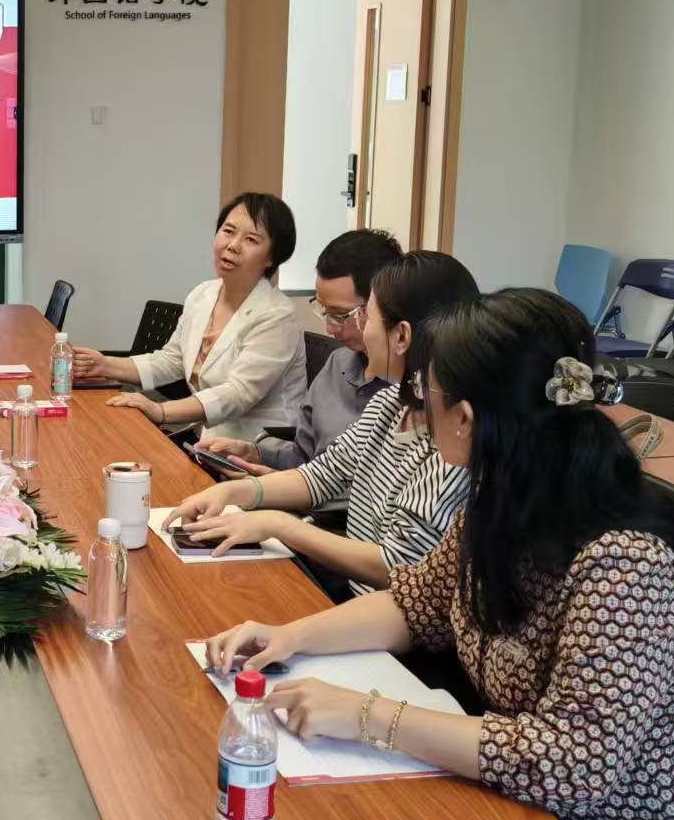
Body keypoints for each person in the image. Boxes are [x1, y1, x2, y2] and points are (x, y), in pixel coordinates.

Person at [202, 289, 674, 820]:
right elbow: (414, 603)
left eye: (428, 394)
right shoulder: (500, 506)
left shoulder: (628, 566)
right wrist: (289, 636)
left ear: (465, 418)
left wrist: (366, 715)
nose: (418, 408)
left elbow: (570, 763)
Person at [166, 252, 477, 595]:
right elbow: (320, 476)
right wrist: (232, 492)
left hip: (379, 615)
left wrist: (279, 525)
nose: (361, 327)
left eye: (367, 316)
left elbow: (398, 569)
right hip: (357, 601)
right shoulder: (389, 404)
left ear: (401, 336)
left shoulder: (451, 442)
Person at [71, 193, 308, 442]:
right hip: (206, 439)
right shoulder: (204, 294)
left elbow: (238, 393)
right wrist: (104, 365)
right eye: (228, 231)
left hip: (257, 448)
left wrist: (161, 411)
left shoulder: (277, 316)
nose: (233, 245)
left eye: (251, 239)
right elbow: (172, 360)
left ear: (272, 257)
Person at [196, 228, 401, 472]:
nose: (329, 328)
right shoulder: (338, 364)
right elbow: (303, 456)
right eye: (324, 310)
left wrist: (280, 486)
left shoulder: (409, 391)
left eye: (340, 315)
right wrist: (255, 454)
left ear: (380, 306)